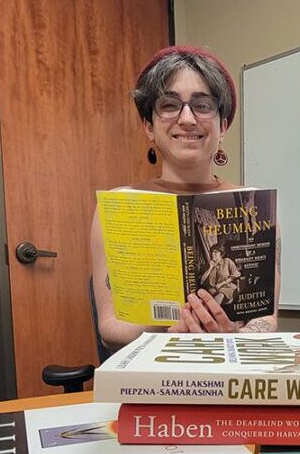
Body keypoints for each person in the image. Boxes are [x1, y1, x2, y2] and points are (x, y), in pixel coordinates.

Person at [90, 45, 281, 352]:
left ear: (223, 125)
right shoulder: (116, 207)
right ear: (148, 127)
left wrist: (231, 332)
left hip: (229, 372)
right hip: (152, 378)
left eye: (202, 105)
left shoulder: (254, 209)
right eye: (169, 104)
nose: (187, 119)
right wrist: (170, 326)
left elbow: (266, 319)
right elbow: (110, 328)